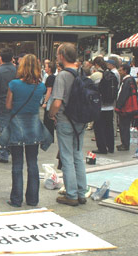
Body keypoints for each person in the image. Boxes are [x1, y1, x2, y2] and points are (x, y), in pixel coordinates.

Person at [3, 54, 50, 207]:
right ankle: (32, 199)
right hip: (34, 127)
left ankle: (16, 199)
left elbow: (8, 106)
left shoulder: (14, 84)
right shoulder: (41, 86)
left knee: (17, 164)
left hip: (17, 126)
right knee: (32, 163)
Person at [49, 43, 87, 206]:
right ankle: (81, 192)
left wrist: (51, 114)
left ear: (62, 56)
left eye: (58, 54)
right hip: (80, 120)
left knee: (67, 156)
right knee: (78, 155)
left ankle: (71, 194)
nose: (57, 57)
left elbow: (57, 102)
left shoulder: (63, 75)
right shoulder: (82, 72)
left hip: (65, 120)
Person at [0, 47, 16, 164]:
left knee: (4, 128)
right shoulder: (18, 70)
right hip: (17, 104)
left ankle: (4, 154)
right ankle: (12, 149)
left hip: (1, 103)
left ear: (0, 58)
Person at [91, 56, 115, 154]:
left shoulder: (96, 75)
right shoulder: (111, 74)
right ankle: (111, 147)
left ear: (96, 65)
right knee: (109, 127)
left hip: (100, 106)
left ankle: (102, 148)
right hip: (110, 105)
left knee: (99, 127)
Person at [116, 64, 137, 151]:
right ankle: (124, 143)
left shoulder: (127, 81)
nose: (119, 72)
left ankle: (125, 144)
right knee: (125, 126)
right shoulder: (131, 80)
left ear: (125, 71)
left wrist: (118, 107)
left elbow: (123, 95)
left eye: (121, 70)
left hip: (125, 108)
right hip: (130, 107)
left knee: (123, 126)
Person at [42, 61, 56, 138]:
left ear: (50, 69)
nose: (45, 69)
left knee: (47, 120)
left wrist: (45, 102)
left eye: (46, 67)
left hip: (49, 101)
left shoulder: (50, 78)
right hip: (51, 100)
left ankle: (48, 136)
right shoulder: (53, 77)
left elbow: (49, 91)